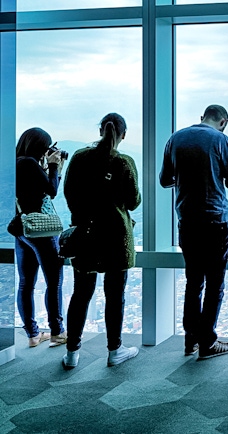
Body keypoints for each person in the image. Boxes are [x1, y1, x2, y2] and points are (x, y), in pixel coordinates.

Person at [160, 104, 228, 360]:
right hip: (215, 221)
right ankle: (208, 342)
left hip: (187, 221)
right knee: (215, 284)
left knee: (194, 282)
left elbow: (165, 180)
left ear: (201, 118)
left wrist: (187, 178)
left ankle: (191, 340)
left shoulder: (175, 139)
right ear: (223, 121)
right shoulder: (222, 140)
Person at [61, 113, 141, 370]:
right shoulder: (124, 163)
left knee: (81, 294)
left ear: (100, 131)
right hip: (116, 237)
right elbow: (133, 202)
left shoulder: (79, 157)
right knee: (115, 295)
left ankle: (72, 353)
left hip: (86, 233)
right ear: (123, 135)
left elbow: (69, 194)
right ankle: (115, 350)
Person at [13, 127, 67, 348]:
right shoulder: (29, 163)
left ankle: (33, 334)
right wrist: (54, 166)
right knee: (54, 281)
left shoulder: (15, 163)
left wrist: (53, 167)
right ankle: (58, 332)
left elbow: (42, 189)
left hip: (22, 228)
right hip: (41, 230)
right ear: (40, 146)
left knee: (26, 283)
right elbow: (52, 191)